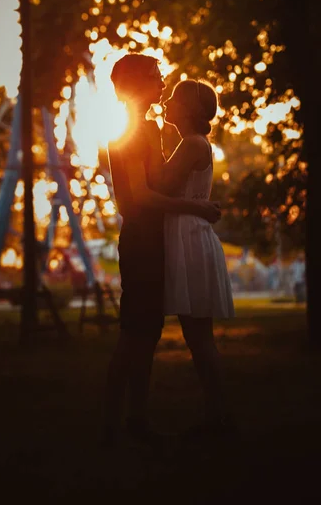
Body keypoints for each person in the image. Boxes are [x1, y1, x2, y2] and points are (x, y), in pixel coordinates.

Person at [102, 55, 221, 448]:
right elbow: (139, 197)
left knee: (143, 333)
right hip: (142, 243)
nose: (163, 81)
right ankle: (121, 422)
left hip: (154, 241)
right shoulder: (135, 132)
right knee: (136, 333)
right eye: (155, 76)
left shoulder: (148, 129)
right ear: (136, 86)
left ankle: (130, 420)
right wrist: (196, 206)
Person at [153, 79, 235, 439]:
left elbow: (160, 186)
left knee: (200, 339)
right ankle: (216, 413)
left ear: (189, 109)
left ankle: (218, 417)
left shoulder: (190, 145)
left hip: (189, 238)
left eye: (173, 99)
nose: (166, 103)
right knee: (199, 337)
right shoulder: (193, 144)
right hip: (189, 235)